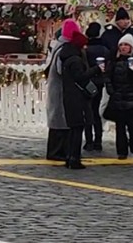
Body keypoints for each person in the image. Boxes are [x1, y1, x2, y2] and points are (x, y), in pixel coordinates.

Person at [55, 23, 94, 170]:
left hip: (69, 97)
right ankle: (74, 158)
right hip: (77, 98)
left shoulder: (66, 56)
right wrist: (95, 70)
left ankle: (69, 157)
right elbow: (81, 77)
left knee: (73, 129)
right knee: (77, 129)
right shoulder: (75, 60)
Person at [104, 34, 133, 160]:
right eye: (121, 45)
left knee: (132, 125)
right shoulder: (114, 61)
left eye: (126, 45)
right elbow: (108, 76)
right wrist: (110, 89)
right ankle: (121, 151)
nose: (123, 47)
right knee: (120, 126)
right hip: (118, 97)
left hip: (131, 97)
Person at [43, 21, 76, 161]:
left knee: (58, 120)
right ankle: (57, 152)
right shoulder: (64, 49)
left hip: (57, 89)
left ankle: (58, 151)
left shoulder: (58, 46)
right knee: (60, 120)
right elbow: (60, 69)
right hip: (60, 90)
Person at [83, 23, 110, 152]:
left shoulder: (85, 49)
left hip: (87, 83)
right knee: (96, 112)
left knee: (87, 111)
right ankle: (98, 141)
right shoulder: (104, 49)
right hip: (99, 83)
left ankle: (88, 141)